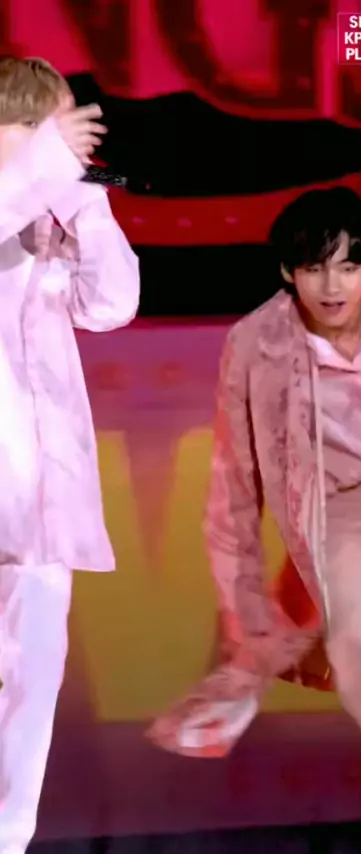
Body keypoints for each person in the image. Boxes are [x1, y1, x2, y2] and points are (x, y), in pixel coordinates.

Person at [149, 188, 361, 854]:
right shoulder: (256, 344)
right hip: (344, 511)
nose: (332, 286)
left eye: (348, 267)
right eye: (314, 269)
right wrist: (251, 621)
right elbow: (235, 486)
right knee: (359, 666)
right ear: (287, 272)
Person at [0, 56, 140, 854]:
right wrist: (46, 168)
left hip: (43, 503)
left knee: (34, 684)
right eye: (38, 131)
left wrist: (86, 203)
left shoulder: (50, 207)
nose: (57, 148)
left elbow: (112, 303)